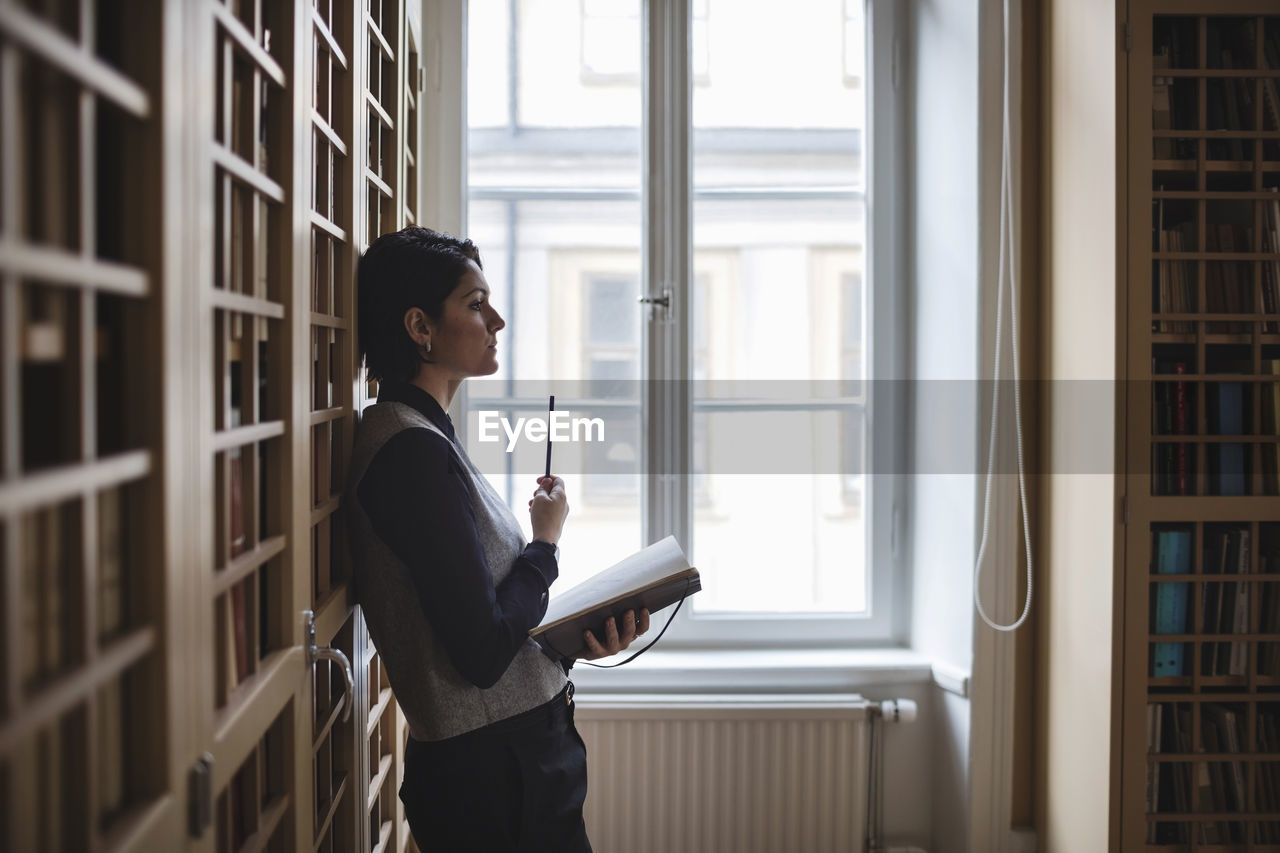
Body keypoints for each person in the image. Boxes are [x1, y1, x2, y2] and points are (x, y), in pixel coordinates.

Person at [345, 226, 648, 852]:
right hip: (496, 781)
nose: (498, 320)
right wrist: (544, 545)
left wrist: (565, 645)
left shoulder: (425, 437)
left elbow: (478, 625)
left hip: (512, 768)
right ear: (420, 327)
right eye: (476, 304)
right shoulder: (409, 453)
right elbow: (479, 654)